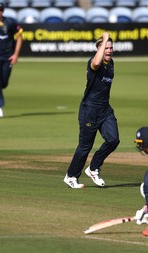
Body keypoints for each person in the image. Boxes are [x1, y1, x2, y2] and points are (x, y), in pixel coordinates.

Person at [63, 32, 120, 189]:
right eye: (105, 48)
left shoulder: (111, 63)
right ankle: (71, 176)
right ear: (99, 49)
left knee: (113, 139)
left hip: (105, 109)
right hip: (90, 110)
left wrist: (106, 42)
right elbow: (96, 63)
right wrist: (104, 40)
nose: (109, 50)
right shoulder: (94, 62)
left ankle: (93, 168)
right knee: (85, 147)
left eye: (110, 47)